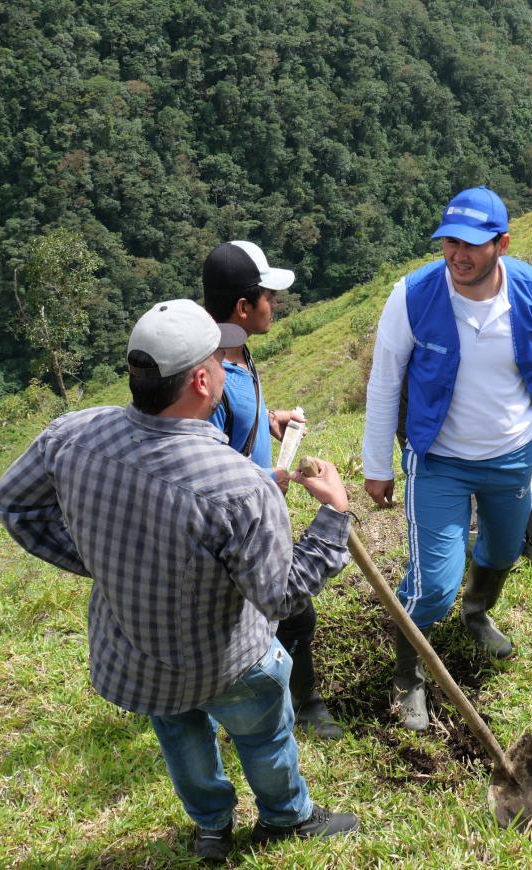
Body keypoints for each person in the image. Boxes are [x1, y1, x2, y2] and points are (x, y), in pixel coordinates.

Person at [0, 299, 359, 862]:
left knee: (182, 739)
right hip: (228, 659)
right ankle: (286, 818)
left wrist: (95, 560)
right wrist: (333, 514)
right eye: (219, 361)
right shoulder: (240, 487)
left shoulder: (72, 436)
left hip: (140, 655)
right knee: (263, 736)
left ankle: (212, 828)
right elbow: (281, 595)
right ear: (202, 380)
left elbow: (13, 504)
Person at [361, 186, 532, 732]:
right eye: (450, 241)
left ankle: (477, 613)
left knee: (505, 548)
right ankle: (408, 675)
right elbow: (384, 381)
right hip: (438, 459)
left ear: (502, 244)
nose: (458, 254)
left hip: (511, 454)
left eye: (471, 243)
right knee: (434, 584)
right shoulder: (412, 296)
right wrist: (377, 465)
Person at [201, 240, 345, 741]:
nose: (276, 304)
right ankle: (291, 706)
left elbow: (237, 422)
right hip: (240, 528)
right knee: (283, 615)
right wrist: (270, 481)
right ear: (244, 307)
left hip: (262, 516)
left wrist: (268, 419)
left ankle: (294, 698)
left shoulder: (235, 352)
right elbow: (204, 470)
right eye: (269, 296)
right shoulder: (210, 379)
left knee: (289, 615)